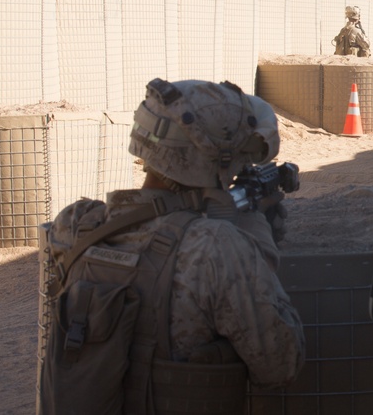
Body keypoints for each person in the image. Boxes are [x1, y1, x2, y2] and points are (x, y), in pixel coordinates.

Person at [39, 78, 306, 414]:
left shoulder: (77, 224)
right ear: (218, 159)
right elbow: (281, 365)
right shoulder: (216, 247)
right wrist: (253, 229)